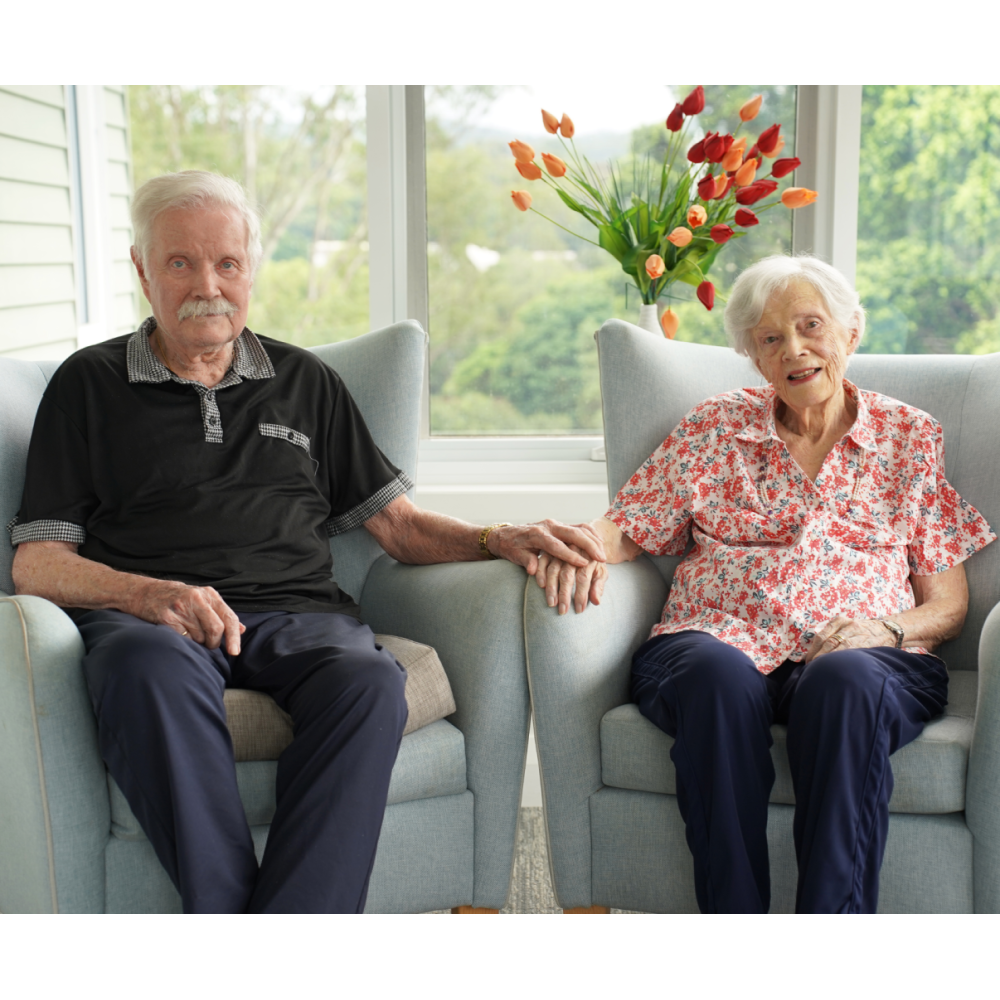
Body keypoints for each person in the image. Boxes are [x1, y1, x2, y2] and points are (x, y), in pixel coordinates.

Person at [10, 170, 605, 914]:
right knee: (143, 673)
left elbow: (401, 527)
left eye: (227, 263)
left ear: (250, 269)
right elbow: (37, 563)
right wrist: (146, 594)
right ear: (141, 268)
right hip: (151, 619)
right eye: (180, 263)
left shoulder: (306, 380)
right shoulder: (87, 385)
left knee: (369, 682)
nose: (208, 285)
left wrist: (496, 535)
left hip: (299, 613)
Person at [534, 254, 995, 913]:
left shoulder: (908, 436)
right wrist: (575, 541)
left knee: (846, 680)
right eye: (771, 338)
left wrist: (886, 629)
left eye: (812, 326)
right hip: (715, 637)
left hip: (862, 651)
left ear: (850, 332)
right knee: (714, 680)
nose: (795, 350)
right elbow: (632, 523)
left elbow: (948, 601)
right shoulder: (717, 426)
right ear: (753, 355)